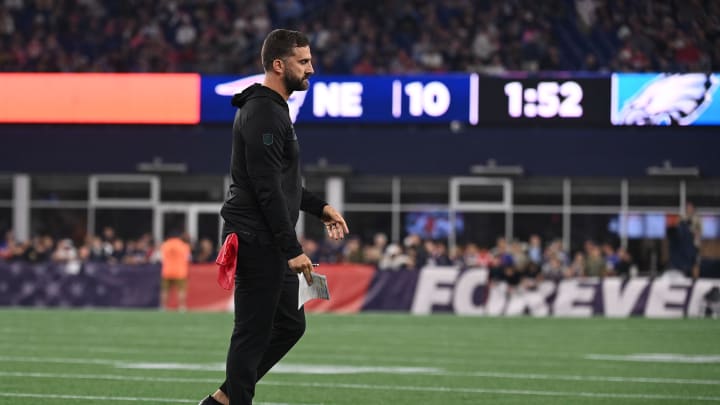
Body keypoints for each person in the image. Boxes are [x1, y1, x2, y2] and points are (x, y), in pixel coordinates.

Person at [199, 29, 349, 405]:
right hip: (255, 238)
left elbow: (283, 183)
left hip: (267, 237)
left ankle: (224, 399)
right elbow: (266, 188)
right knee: (251, 332)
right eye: (304, 61)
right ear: (279, 65)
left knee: (290, 324)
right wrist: (291, 247)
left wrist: (320, 207)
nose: (311, 69)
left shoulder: (274, 108)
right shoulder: (264, 111)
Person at [160, 231, 192, 311]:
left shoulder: (165, 245)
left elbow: (161, 258)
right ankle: (181, 307)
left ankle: (163, 307)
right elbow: (188, 258)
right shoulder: (184, 246)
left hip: (167, 271)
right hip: (180, 271)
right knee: (181, 290)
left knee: (165, 290)